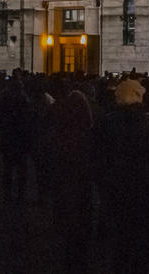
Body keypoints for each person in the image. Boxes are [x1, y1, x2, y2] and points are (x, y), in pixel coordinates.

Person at [94, 78, 149, 273]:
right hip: (145, 189)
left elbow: (96, 155)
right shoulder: (148, 121)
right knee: (142, 240)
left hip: (116, 190)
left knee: (120, 239)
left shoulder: (106, 122)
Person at [50, 90, 94, 273]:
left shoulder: (59, 136)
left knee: (68, 228)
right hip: (83, 192)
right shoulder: (89, 136)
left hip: (64, 190)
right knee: (81, 229)